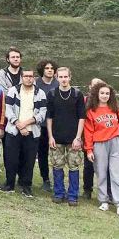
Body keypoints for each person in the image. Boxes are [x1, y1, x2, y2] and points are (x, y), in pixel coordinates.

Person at [84, 81, 119, 217]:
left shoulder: (116, 109)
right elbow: (88, 131)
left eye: (107, 93)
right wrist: (88, 149)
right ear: (97, 94)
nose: (105, 96)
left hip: (115, 142)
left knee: (117, 173)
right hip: (99, 144)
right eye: (102, 93)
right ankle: (103, 201)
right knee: (101, 172)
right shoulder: (91, 111)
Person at [1, 68, 47, 198]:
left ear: (34, 78)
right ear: (22, 77)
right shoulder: (13, 91)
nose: (28, 78)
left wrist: (26, 124)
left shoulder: (40, 93)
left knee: (29, 160)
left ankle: (26, 186)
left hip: (32, 132)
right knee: (11, 159)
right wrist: (18, 124)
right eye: (26, 76)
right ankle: (9, 184)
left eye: (31, 76)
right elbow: (8, 110)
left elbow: (42, 113)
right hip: (14, 130)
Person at [46, 67, 85, 206]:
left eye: (65, 77)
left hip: (73, 137)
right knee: (57, 165)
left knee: (74, 166)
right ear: (57, 78)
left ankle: (73, 195)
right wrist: (50, 136)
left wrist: (78, 137)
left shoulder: (77, 94)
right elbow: (49, 117)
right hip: (57, 136)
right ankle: (59, 193)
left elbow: (82, 117)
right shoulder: (52, 94)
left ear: (70, 77)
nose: (63, 79)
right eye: (61, 77)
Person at [35, 59, 58, 191]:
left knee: (56, 153)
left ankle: (57, 180)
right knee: (42, 153)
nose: (49, 70)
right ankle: (46, 179)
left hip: (55, 124)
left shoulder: (58, 83)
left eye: (51, 68)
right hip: (40, 124)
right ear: (42, 70)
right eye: (47, 68)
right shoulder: (36, 83)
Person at [83, 77, 106, 199]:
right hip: (87, 136)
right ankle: (87, 189)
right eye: (94, 85)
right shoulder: (84, 100)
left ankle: (106, 191)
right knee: (88, 165)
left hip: (103, 137)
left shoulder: (108, 102)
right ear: (90, 87)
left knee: (104, 166)